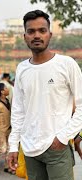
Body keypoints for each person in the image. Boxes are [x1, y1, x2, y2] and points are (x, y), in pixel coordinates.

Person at [8, 10, 82, 180]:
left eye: (42, 31)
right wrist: (13, 146)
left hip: (57, 148)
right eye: (31, 31)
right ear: (24, 36)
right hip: (29, 149)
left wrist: (63, 137)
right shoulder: (22, 69)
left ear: (50, 34)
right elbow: (18, 110)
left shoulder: (66, 64)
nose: (36, 35)